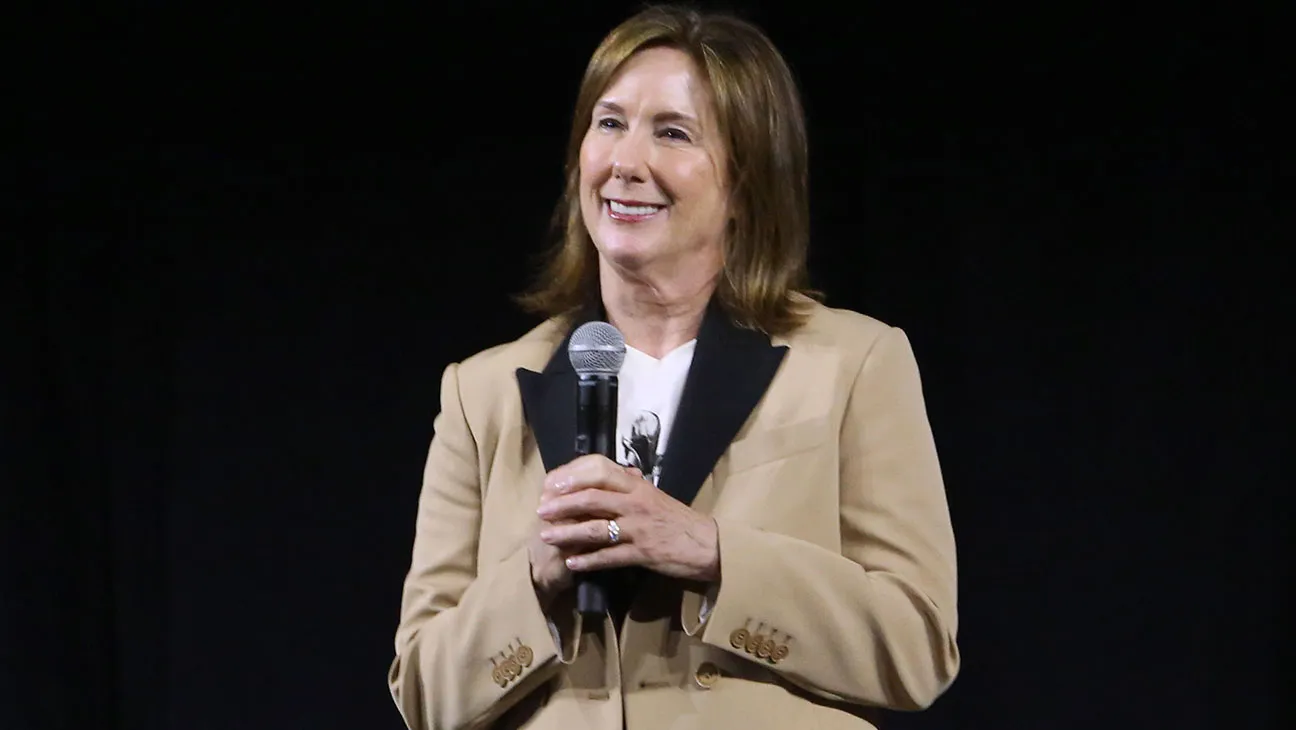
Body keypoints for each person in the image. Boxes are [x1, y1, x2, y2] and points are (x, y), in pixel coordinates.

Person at [387, 5, 960, 729]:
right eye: (608, 123)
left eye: (672, 133)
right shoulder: (481, 392)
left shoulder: (853, 364)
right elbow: (423, 693)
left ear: (746, 181)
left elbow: (917, 645)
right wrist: (534, 574)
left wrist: (713, 553)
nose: (627, 163)